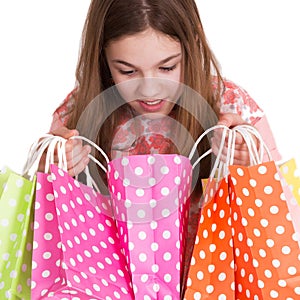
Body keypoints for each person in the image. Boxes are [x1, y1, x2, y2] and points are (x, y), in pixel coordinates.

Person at [46, 0, 281, 292]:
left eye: (167, 67)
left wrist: (251, 165)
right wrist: (57, 176)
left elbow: (284, 222)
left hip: (215, 287)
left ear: (193, 43)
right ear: (102, 56)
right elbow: (51, 241)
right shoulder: (77, 115)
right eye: (128, 71)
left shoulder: (230, 106)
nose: (150, 89)